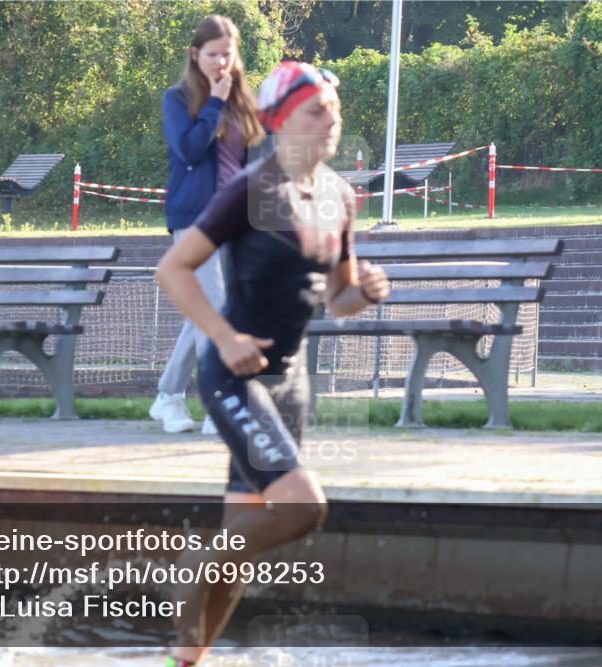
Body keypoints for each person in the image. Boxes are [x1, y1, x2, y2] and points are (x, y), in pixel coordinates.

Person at [156, 62, 391, 666]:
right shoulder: (251, 190)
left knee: (241, 547)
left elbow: (336, 300)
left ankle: (185, 659)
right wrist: (223, 336)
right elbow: (173, 270)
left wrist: (361, 292)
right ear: (278, 122)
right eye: (317, 111)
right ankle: (192, 567)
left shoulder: (340, 195)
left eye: (335, 111)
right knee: (302, 507)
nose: (331, 121)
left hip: (291, 384)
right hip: (235, 375)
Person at [151, 14, 266, 434]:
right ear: (196, 54)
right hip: (195, 220)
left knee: (203, 311)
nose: (221, 63)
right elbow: (189, 150)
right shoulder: (178, 98)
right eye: (213, 55)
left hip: (236, 220)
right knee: (216, 308)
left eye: (227, 55)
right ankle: (220, 405)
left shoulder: (244, 100)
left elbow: (254, 161)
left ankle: (167, 397)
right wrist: (214, 101)